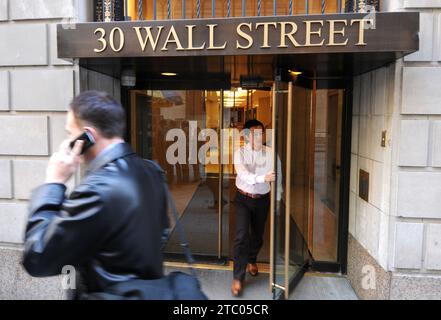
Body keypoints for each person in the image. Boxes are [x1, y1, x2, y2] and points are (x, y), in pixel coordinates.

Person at [22, 91, 168, 299]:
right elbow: (162, 232)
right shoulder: (151, 171)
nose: (68, 142)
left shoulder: (97, 189)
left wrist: (54, 183)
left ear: (87, 136)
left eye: (70, 133)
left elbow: (37, 258)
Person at [231, 119, 281, 297]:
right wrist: (263, 178)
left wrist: (277, 198)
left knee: (258, 235)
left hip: (263, 199)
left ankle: (252, 259)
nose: (258, 136)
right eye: (253, 133)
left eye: (260, 132)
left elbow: (278, 176)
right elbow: (243, 174)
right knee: (241, 236)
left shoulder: (270, 153)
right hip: (243, 199)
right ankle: (238, 277)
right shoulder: (240, 153)